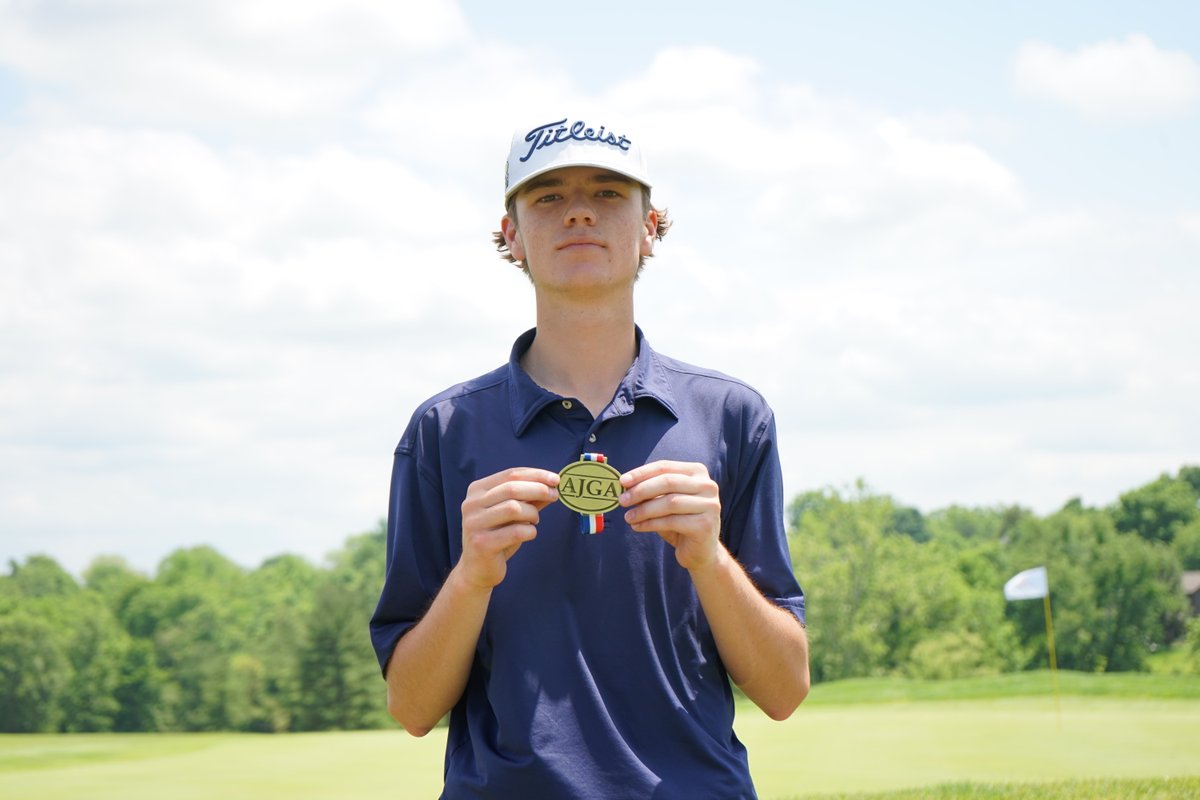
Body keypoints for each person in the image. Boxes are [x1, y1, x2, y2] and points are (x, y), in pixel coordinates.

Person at [370, 115, 809, 799]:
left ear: (651, 226)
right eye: (547, 196)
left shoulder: (732, 417)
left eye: (608, 193)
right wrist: (473, 574)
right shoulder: (444, 429)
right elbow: (412, 706)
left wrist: (708, 559)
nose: (578, 210)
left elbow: (784, 689)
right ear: (511, 232)